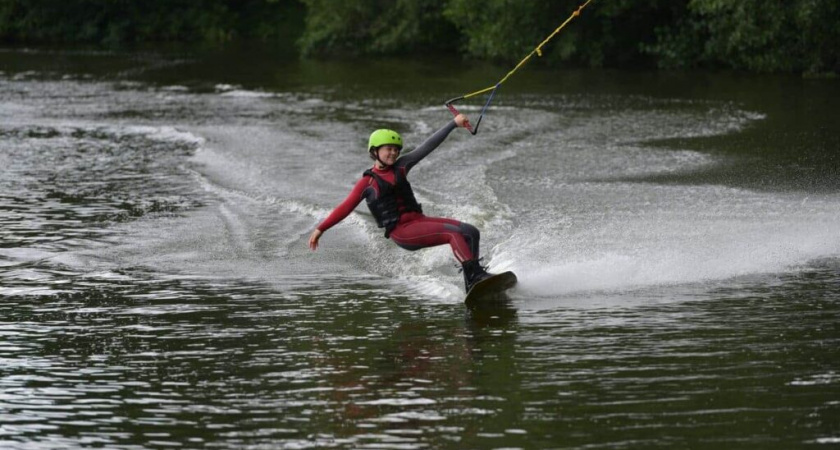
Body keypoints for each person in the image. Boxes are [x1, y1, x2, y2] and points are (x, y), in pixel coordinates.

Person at [308, 113, 495, 293]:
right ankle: (474, 276)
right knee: (451, 233)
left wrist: (453, 123)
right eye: (388, 148)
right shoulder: (368, 183)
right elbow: (345, 207)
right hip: (402, 232)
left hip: (419, 221)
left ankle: (472, 281)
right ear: (375, 151)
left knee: (471, 232)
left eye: (396, 149)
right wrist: (320, 229)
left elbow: (427, 146)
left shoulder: (402, 166)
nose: (393, 153)